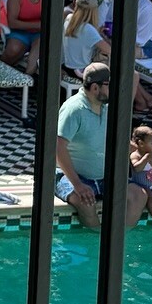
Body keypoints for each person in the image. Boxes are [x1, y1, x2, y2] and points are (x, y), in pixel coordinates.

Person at [55, 62, 112, 229]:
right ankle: (97, 241)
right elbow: (58, 147)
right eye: (109, 85)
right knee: (85, 202)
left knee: (137, 195)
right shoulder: (74, 109)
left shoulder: (107, 107)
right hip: (71, 177)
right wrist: (78, 184)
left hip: (103, 178)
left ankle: (123, 238)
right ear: (95, 88)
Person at [2, 0, 45, 74]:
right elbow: (12, 22)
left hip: (39, 34)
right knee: (13, 50)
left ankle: (27, 79)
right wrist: (37, 25)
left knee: (36, 54)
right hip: (19, 32)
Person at [61, 0, 103, 75]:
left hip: (66, 67)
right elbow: (109, 50)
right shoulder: (88, 29)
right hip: (82, 72)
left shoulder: (69, 18)